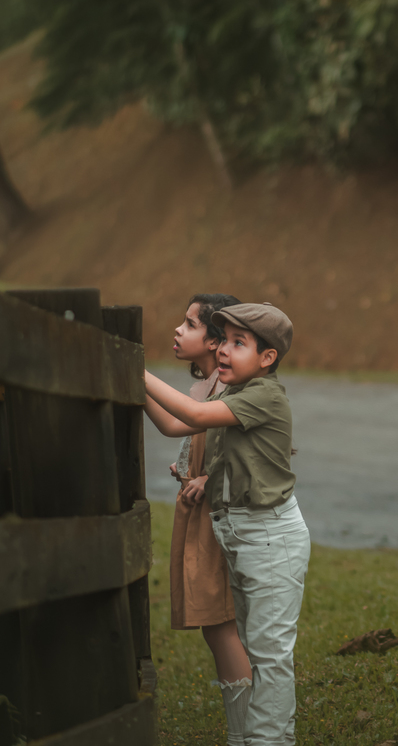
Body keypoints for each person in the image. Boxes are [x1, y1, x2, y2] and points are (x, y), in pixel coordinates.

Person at [144, 302, 309, 746]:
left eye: (239, 343)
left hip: (270, 536)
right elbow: (179, 424)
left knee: (271, 655)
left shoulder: (264, 396)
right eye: (225, 339)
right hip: (241, 535)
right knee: (255, 648)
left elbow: (195, 417)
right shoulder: (231, 394)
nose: (225, 350)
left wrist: (135, 371)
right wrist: (130, 382)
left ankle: (270, 742)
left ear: (267, 358)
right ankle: (245, 739)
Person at [142, 293, 252, 745]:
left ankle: (248, 733)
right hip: (202, 516)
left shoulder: (234, 391)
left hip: (221, 518)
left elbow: (253, 452)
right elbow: (174, 426)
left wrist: (209, 475)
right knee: (216, 624)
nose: (177, 330)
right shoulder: (206, 388)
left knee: (222, 622)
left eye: (189, 324)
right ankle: (243, 729)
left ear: (214, 341)